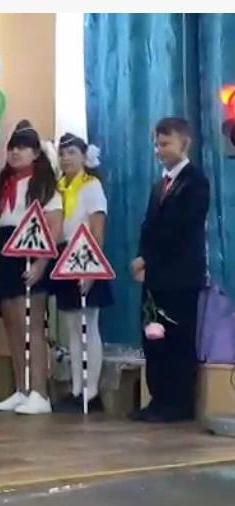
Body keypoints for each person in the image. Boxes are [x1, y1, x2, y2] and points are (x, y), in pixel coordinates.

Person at [131, 117, 209, 422]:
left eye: (166, 143)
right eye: (157, 144)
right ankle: (159, 399)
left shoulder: (195, 181)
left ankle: (178, 403)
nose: (159, 150)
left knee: (177, 339)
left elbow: (180, 228)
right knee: (154, 338)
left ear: (184, 143)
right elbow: (148, 226)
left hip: (180, 276)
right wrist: (141, 256)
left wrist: (148, 258)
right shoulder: (159, 185)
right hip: (156, 277)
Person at [0, 120, 63, 415]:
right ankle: (22, 388)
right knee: (12, 323)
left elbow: (54, 227)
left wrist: (41, 264)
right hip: (6, 251)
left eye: (23, 148)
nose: (16, 152)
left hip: (32, 253)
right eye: (12, 148)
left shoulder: (45, 186)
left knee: (32, 325)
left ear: (35, 153)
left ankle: (40, 392)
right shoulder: (5, 186)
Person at [53, 133, 113, 414]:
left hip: (85, 253)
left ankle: (92, 390)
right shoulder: (58, 187)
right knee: (71, 327)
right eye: (62, 153)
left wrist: (91, 269)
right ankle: (77, 388)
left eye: (72, 153)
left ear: (83, 156)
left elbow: (97, 229)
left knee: (89, 324)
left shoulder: (92, 186)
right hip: (64, 255)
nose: (66, 158)